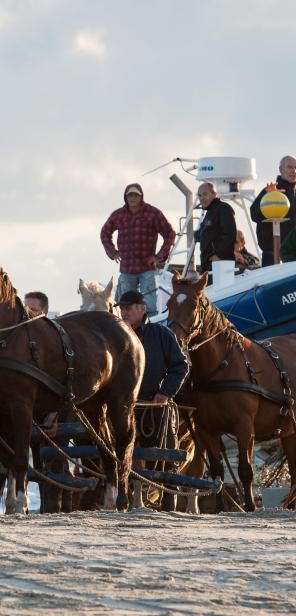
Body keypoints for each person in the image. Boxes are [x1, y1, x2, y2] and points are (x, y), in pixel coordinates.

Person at [119, 290, 189, 511]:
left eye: (128, 308)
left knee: (167, 454)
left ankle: (169, 505)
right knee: (121, 455)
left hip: (155, 407)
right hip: (123, 408)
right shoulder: (117, 335)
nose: (123, 312)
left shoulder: (160, 334)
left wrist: (165, 393)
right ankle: (128, 500)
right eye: (122, 308)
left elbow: (180, 366)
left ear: (142, 309)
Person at [100, 183, 175, 317]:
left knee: (150, 307)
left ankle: (149, 329)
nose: (133, 198)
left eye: (136, 195)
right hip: (127, 268)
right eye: (130, 195)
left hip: (147, 267)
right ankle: (127, 331)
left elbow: (170, 233)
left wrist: (159, 257)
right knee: (126, 306)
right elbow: (104, 233)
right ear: (126, 197)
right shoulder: (118, 215)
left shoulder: (153, 213)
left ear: (141, 197)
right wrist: (113, 252)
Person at [251, 155, 296, 266]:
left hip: (292, 254)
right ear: (281, 170)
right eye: (289, 167)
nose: (293, 171)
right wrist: (267, 196)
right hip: (272, 254)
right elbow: (254, 215)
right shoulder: (271, 191)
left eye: (295, 167)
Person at [195, 182, 237, 274]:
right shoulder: (209, 214)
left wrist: (218, 255)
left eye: (205, 194)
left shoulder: (223, 209)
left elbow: (230, 234)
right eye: (200, 195)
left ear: (214, 194)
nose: (202, 198)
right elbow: (201, 235)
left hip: (219, 263)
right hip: (207, 265)